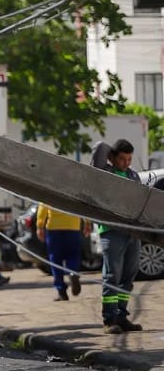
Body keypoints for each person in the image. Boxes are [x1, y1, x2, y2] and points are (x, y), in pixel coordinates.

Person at [95, 139, 143, 334]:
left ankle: (122, 317)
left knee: (128, 276)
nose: (126, 163)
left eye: (129, 159)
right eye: (122, 158)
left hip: (132, 232)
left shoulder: (133, 176)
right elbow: (99, 148)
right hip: (111, 231)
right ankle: (109, 319)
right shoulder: (104, 173)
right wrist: (110, 150)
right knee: (112, 276)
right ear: (113, 157)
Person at [36, 202, 86, 301]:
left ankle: (61, 291)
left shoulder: (50, 188)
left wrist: (40, 226)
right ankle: (72, 273)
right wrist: (87, 222)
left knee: (55, 259)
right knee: (73, 255)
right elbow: (82, 204)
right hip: (73, 226)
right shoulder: (75, 188)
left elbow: (43, 207)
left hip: (54, 228)